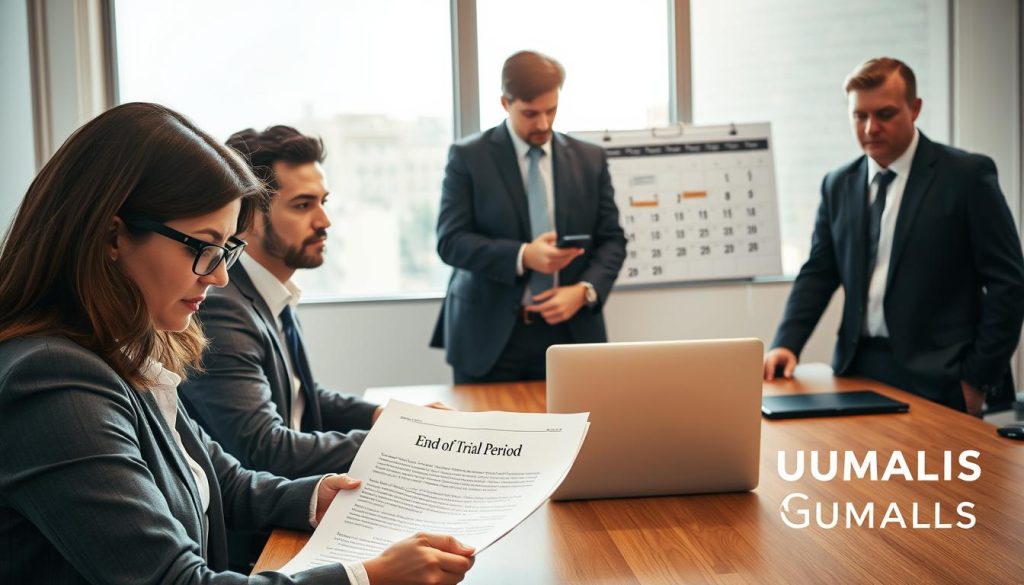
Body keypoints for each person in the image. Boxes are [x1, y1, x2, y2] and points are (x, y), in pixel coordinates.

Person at [0, 102, 474, 584]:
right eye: (204, 247)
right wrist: (366, 578)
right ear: (111, 237)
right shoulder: (53, 382)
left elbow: (223, 478)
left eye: (227, 249)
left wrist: (320, 496)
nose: (222, 275)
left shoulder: (125, 349)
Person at [763, 57, 1024, 415]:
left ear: (915, 109)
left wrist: (977, 379)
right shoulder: (838, 184)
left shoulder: (966, 177)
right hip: (857, 370)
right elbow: (819, 272)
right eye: (859, 116)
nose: (871, 128)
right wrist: (787, 344)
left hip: (942, 376)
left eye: (885, 114)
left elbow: (1008, 283)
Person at [180, 126, 384, 479]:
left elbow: (300, 393)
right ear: (247, 218)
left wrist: (380, 416)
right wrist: (396, 443)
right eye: (303, 205)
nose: (324, 221)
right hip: (263, 525)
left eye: (323, 202)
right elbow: (264, 447)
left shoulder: (273, 290)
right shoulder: (221, 307)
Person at [430, 50, 627, 383]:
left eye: (551, 110)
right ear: (505, 103)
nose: (543, 124)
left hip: (571, 331)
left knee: (582, 433)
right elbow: (451, 242)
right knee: (485, 435)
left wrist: (583, 291)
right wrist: (524, 256)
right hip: (489, 337)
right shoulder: (468, 157)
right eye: (530, 113)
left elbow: (612, 240)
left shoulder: (589, 159)